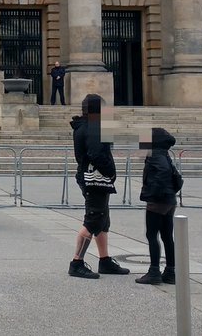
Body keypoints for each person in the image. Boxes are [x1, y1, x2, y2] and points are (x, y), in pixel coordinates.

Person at [68, 94, 130, 279]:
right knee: (94, 219)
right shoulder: (95, 126)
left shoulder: (83, 126)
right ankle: (76, 262)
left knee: (103, 220)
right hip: (96, 178)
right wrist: (110, 171)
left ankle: (104, 260)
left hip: (88, 175)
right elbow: (98, 153)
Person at [135, 127, 179, 285]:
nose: (142, 143)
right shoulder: (163, 153)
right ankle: (170, 271)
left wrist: (154, 192)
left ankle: (154, 271)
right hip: (169, 199)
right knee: (167, 236)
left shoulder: (155, 154)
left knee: (152, 235)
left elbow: (163, 171)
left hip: (158, 200)